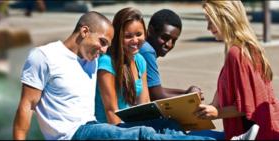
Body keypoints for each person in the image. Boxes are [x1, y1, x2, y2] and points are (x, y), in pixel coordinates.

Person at [12, 10, 215, 140]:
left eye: (107, 44)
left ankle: (225, 137)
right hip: (72, 134)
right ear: (84, 31)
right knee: (144, 135)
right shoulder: (45, 56)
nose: (103, 50)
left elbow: (142, 99)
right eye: (102, 42)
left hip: (92, 128)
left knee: (169, 125)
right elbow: (27, 105)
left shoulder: (90, 60)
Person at [194, 0, 279, 140]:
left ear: (226, 18)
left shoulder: (237, 53)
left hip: (252, 134)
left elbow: (248, 107)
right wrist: (205, 109)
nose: (208, 27)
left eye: (211, 21)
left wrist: (216, 113)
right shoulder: (244, 48)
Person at [95, 7, 183, 133]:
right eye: (128, 36)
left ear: (145, 33)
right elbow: (111, 112)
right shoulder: (107, 63)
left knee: (172, 125)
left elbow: (144, 104)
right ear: (118, 36)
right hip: (111, 129)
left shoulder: (140, 60)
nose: (135, 40)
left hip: (133, 126)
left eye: (138, 34)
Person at [139, 9, 203, 101]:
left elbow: (154, 89)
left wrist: (187, 93)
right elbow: (156, 95)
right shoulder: (147, 51)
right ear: (151, 30)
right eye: (165, 38)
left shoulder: (144, 47)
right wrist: (189, 98)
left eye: (174, 40)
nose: (169, 44)